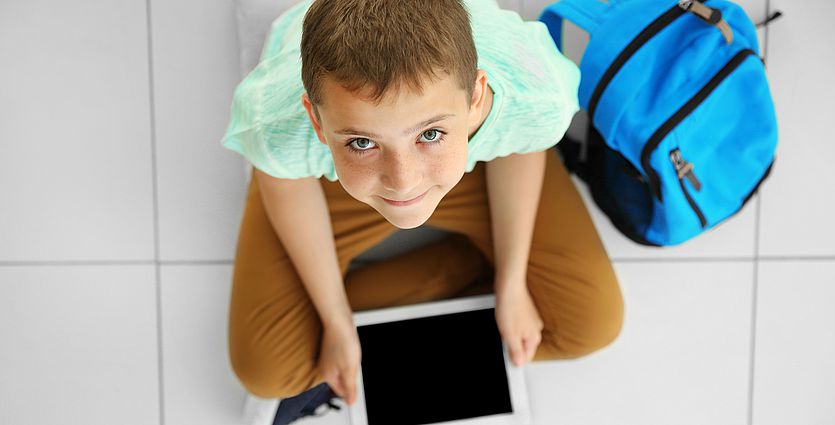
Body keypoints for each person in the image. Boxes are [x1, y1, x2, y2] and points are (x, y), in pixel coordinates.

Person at [220, 0, 624, 412]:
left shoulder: (538, 94)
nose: (404, 180)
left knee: (590, 324)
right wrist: (335, 319)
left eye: (429, 133)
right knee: (267, 371)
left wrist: (513, 280)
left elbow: (519, 144)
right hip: (324, 178)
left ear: (477, 100)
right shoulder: (275, 125)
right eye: (362, 141)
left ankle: (461, 248)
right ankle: (463, 260)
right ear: (317, 121)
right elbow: (286, 185)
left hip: (479, 161)